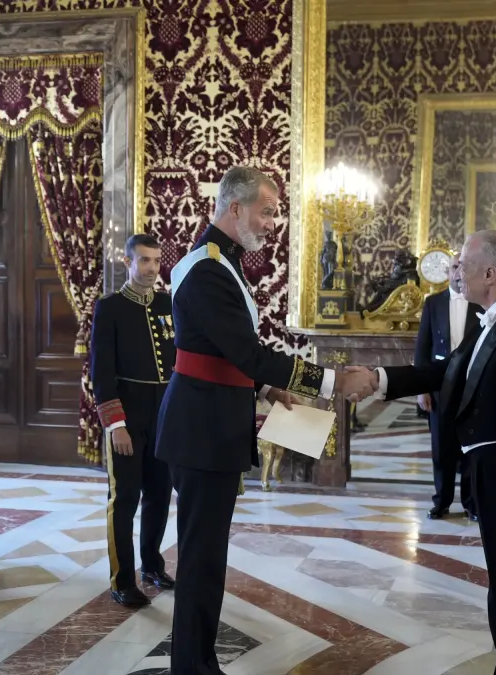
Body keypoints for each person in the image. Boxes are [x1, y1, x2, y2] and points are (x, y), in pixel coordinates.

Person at [156, 166, 377, 675]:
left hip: (209, 424)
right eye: (267, 211)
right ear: (235, 208)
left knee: (208, 556)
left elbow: (221, 352)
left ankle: (198, 661)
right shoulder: (209, 268)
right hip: (202, 431)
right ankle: (192, 667)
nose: (273, 223)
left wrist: (266, 388)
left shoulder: (221, 262)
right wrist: (331, 382)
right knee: (201, 560)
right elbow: (248, 353)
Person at [356, 229, 496, 675]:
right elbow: (445, 370)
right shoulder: (492, 321)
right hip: (493, 478)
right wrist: (377, 379)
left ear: (489, 273)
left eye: (463, 266)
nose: (456, 274)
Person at [90, 233, 177, 609]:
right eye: (144, 260)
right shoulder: (110, 308)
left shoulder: (168, 303)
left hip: (164, 417)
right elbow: (101, 373)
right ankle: (122, 580)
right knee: (124, 499)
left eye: (156, 260)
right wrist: (116, 424)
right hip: (128, 416)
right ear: (127, 262)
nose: (152, 268)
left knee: (159, 495)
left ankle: (152, 566)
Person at [415, 251, 483, 520]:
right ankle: (441, 501)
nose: (459, 272)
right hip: (438, 385)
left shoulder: (480, 303)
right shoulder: (433, 303)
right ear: (447, 272)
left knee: (470, 445)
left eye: (463, 267)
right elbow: (423, 348)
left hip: (472, 385)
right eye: (455, 267)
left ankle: (471, 503)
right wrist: (421, 389)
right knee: (441, 447)